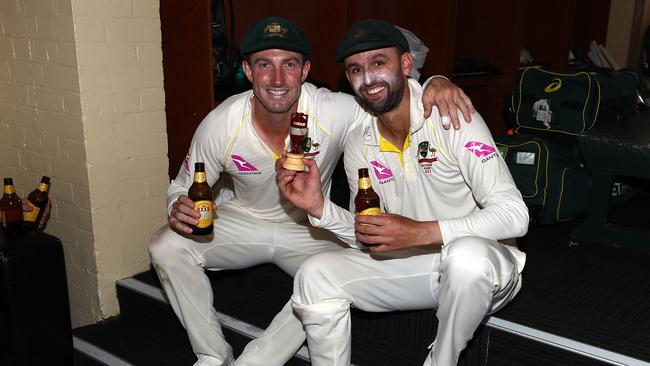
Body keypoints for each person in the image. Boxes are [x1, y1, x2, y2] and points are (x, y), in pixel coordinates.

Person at [148, 16, 474, 366]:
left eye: (288, 65)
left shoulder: (333, 110)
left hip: (309, 227)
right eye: (264, 65)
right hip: (245, 219)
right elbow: (182, 184)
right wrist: (175, 204)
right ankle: (212, 354)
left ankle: (257, 361)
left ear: (305, 70)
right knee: (164, 244)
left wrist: (433, 83)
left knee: (335, 274)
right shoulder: (221, 123)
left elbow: (390, 96)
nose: (276, 79)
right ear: (247, 69)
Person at [277, 19, 528, 366]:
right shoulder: (359, 142)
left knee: (466, 258)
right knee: (315, 272)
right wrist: (319, 207)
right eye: (356, 69)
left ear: (406, 64)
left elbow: (515, 215)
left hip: (482, 269)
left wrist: (419, 231)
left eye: (379, 63)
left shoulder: (451, 116)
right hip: (415, 267)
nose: (368, 78)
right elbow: (367, 235)